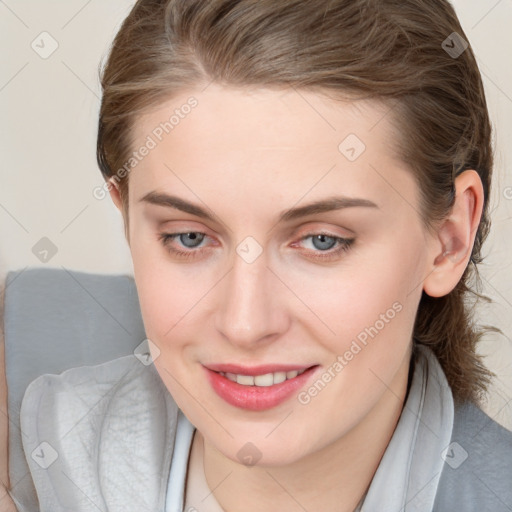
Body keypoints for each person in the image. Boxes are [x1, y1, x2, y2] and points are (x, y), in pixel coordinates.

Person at [6, 0, 512, 510]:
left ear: (448, 239)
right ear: (127, 217)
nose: (245, 324)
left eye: (322, 241)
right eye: (189, 237)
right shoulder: (30, 431)